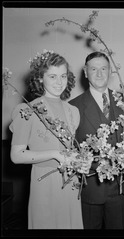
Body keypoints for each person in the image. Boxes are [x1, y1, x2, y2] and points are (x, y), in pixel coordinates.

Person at [9, 50, 83, 229]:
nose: (59, 82)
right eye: (52, 76)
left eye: (63, 76)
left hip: (71, 182)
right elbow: (16, 156)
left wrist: (80, 162)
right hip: (44, 184)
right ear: (41, 78)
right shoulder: (26, 110)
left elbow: (70, 150)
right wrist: (55, 154)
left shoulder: (73, 111)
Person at [69, 52, 124, 229]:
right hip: (90, 188)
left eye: (103, 68)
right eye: (93, 69)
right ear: (85, 72)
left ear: (110, 71)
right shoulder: (73, 106)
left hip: (120, 187)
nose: (99, 73)